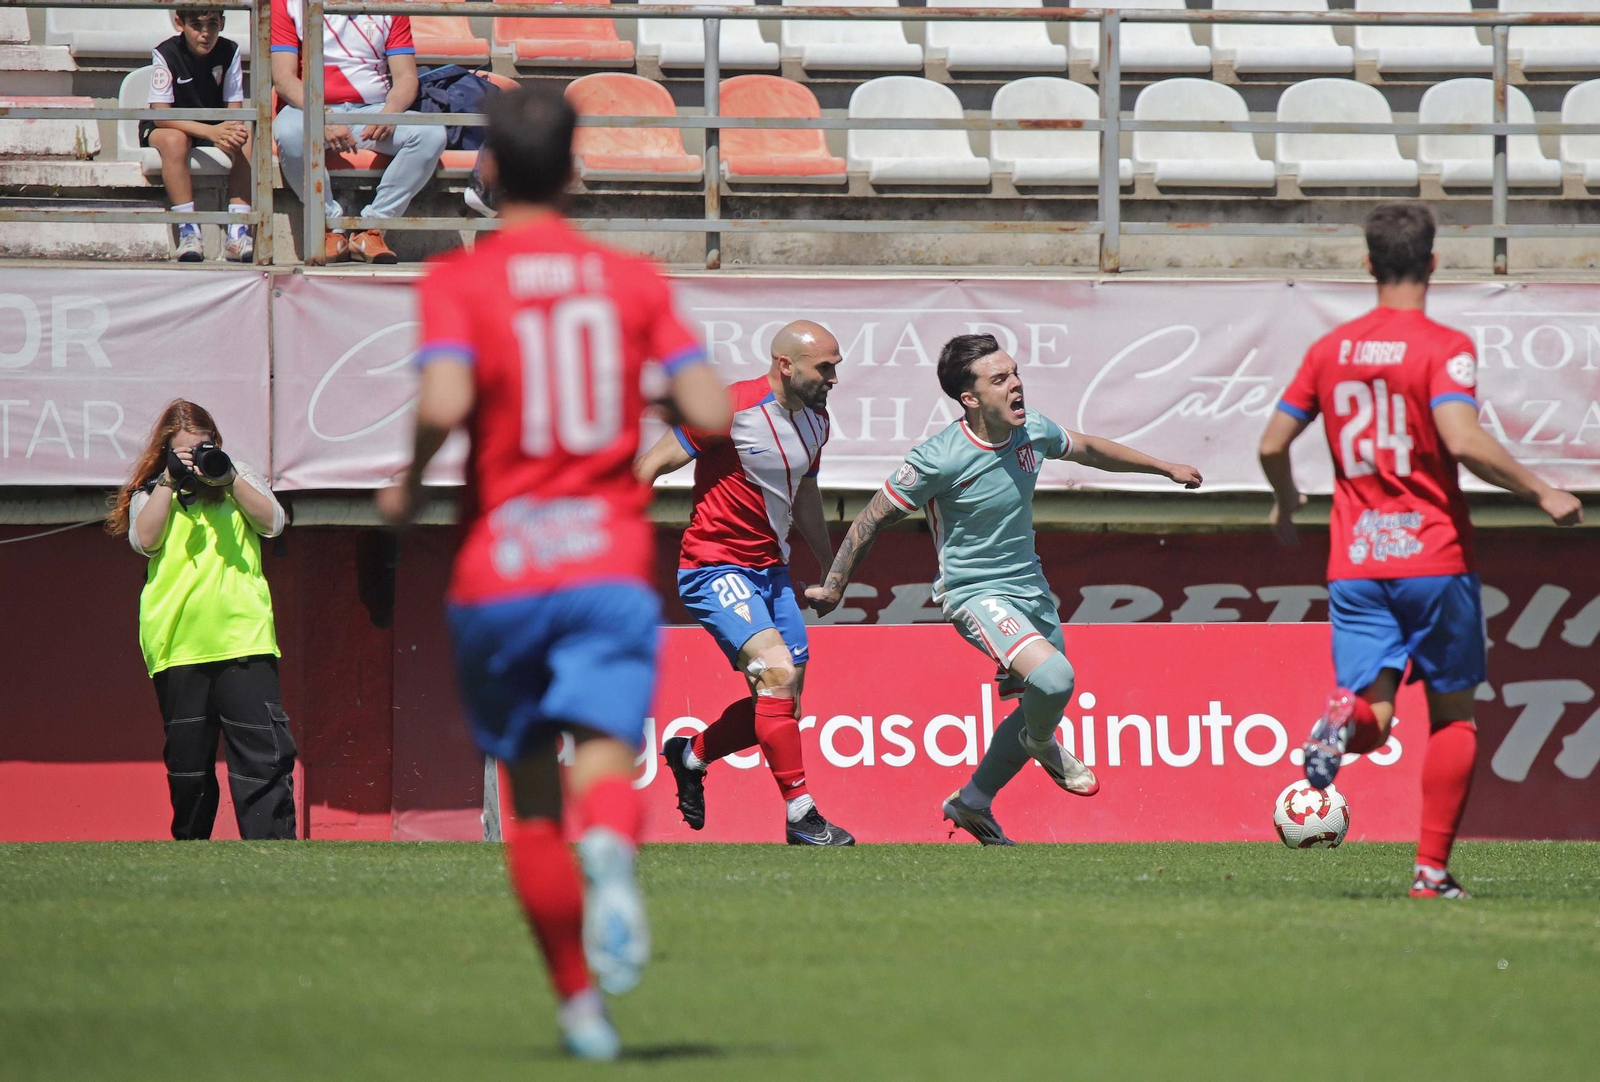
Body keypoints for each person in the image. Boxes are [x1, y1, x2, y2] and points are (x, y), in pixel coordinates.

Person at [375, 86, 730, 1060]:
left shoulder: (461, 280)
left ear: (487, 168)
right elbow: (706, 403)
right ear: (576, 169)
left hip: (502, 566)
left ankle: (579, 1007)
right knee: (605, 757)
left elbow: (444, 396)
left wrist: (406, 481)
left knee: (533, 800)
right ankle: (611, 848)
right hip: (604, 560)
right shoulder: (629, 280)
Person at [1259, 203, 1583, 899]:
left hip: (1356, 561)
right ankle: (1430, 873)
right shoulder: (1442, 345)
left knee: (1373, 719)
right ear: (1433, 262)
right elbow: (1462, 440)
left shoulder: (1329, 350)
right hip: (1432, 556)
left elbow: (1271, 443)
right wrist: (1542, 491)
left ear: (1369, 263)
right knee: (1453, 715)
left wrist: (1286, 500)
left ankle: (1339, 727)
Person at [809, 334, 1203, 845]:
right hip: (975, 593)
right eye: (999, 379)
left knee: (1037, 697)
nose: (1015, 384)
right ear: (969, 398)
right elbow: (871, 518)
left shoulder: (1031, 429)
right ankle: (1043, 744)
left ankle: (972, 801)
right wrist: (835, 585)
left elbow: (1087, 449)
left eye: (1014, 373)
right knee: (1056, 680)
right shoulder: (938, 458)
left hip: (1030, 589)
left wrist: (1163, 467)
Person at [636, 320, 853, 846]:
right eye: (825, 368)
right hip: (714, 566)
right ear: (786, 364)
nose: (833, 379)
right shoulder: (729, 409)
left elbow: (804, 492)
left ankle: (690, 756)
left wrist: (829, 564)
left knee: (782, 701)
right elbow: (649, 465)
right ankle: (803, 817)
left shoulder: (817, 422)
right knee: (777, 674)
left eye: (835, 369)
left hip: (771, 572)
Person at [105, 399, 294, 841]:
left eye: (204, 446)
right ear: (166, 452)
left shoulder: (238, 476)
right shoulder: (152, 490)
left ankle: (273, 856)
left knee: (263, 757)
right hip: (177, 644)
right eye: (186, 451)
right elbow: (144, 541)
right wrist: (170, 482)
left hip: (244, 637)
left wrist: (226, 478)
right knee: (188, 767)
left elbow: (274, 523)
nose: (197, 457)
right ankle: (192, 852)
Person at [270, 0, 446, 264]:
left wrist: (392, 110)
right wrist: (322, 116)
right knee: (288, 132)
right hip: (310, 109)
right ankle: (330, 225)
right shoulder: (288, 3)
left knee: (432, 134)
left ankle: (371, 228)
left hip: (372, 112)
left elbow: (407, 77)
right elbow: (283, 79)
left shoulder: (390, 4)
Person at [144, 8, 253, 262]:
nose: (205, 34)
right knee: (175, 140)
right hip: (169, 126)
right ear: (179, 23)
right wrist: (211, 131)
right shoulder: (166, 53)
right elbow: (161, 115)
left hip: (210, 126)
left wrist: (225, 131)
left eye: (213, 25)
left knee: (243, 137)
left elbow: (233, 111)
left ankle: (238, 230)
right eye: (196, 25)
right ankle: (188, 229)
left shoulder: (230, 51)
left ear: (222, 23)